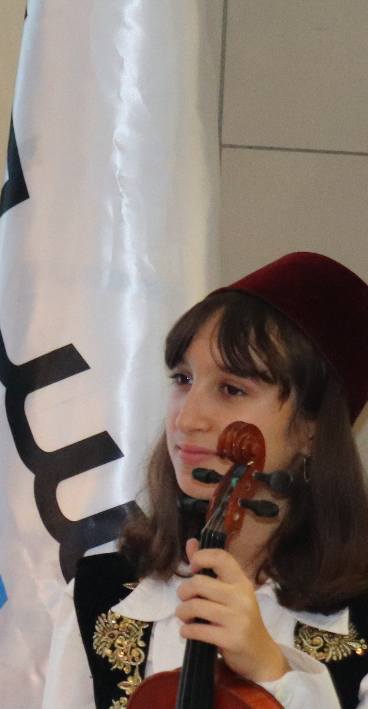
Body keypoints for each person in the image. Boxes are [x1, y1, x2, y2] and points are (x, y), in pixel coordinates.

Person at [44, 250, 368, 709]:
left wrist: (272, 673)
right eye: (182, 379)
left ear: (310, 429)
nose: (188, 418)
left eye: (232, 389)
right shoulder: (99, 593)